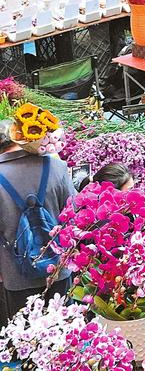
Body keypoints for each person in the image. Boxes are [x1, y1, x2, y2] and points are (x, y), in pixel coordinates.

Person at [0, 121, 75, 327]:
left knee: (27, 336)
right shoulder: (56, 167)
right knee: (66, 332)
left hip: (16, 276)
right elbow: (75, 213)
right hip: (58, 268)